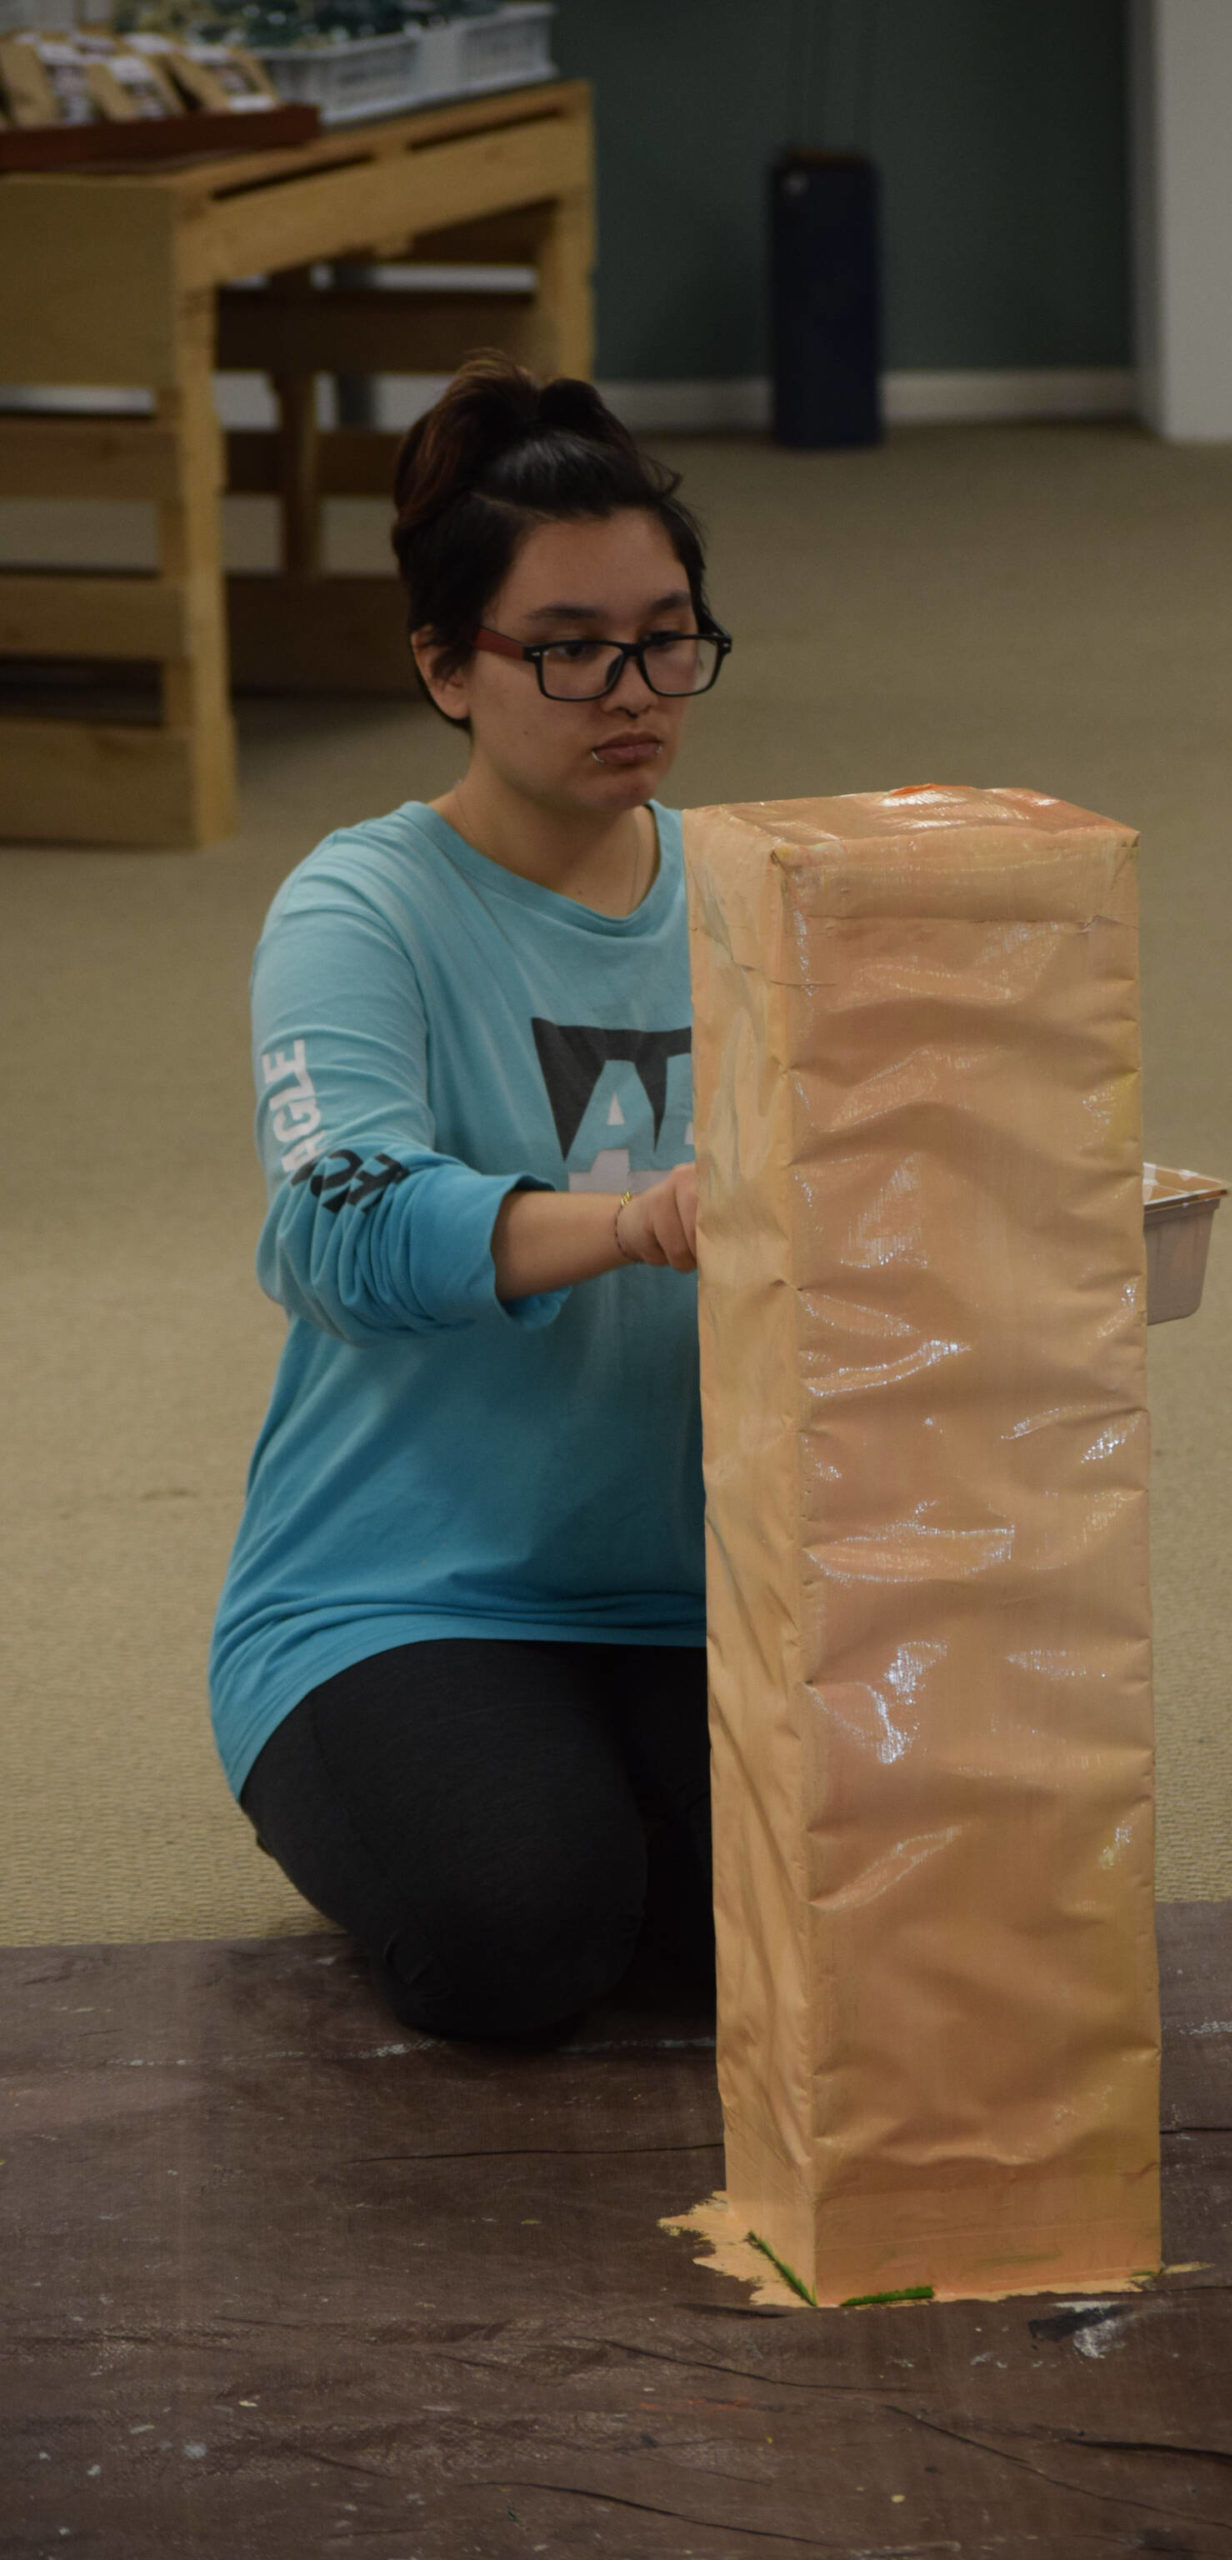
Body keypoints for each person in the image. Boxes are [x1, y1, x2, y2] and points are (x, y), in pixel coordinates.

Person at [208, 354, 732, 2042]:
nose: (631, 685)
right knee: (520, 1940)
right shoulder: (359, 906)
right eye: (567, 646)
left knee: (854, 1929)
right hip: (395, 1590)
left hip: (701, 1578)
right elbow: (342, 1228)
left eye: (667, 633)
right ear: (447, 665)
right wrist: (637, 1219)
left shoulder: (755, 895)